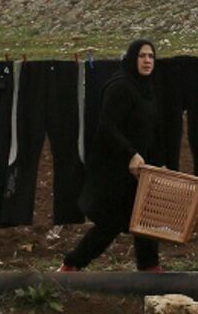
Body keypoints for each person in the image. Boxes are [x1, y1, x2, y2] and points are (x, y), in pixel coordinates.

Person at [59, 39, 165, 272]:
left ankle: (149, 268)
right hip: (115, 167)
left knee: (144, 216)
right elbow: (107, 127)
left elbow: (148, 131)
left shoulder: (146, 89)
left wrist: (158, 163)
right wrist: (130, 153)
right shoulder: (120, 87)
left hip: (138, 168)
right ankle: (71, 264)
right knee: (112, 223)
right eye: (142, 56)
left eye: (151, 56)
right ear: (131, 58)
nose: (147, 61)